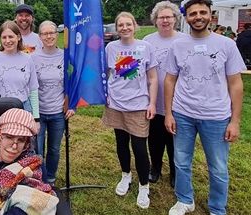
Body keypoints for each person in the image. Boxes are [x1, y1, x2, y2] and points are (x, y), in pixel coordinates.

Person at [164, 0, 245, 214]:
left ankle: (217, 208)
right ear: (186, 17)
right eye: (192, 13)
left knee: (218, 167)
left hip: (217, 116)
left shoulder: (226, 44)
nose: (198, 17)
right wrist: (169, 113)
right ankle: (184, 200)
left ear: (210, 14)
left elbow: (236, 84)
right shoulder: (177, 45)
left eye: (202, 12)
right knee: (181, 161)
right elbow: (170, 80)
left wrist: (235, 121)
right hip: (183, 114)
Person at [102, 12, 158, 209]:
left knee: (140, 148)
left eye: (128, 24)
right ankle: (126, 175)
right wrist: (105, 95)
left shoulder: (145, 47)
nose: (124, 28)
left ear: (135, 26)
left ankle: (144, 185)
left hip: (138, 106)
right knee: (121, 143)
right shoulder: (110, 47)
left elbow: (152, 78)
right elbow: (107, 74)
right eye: (121, 25)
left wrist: (152, 103)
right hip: (116, 104)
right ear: (116, 28)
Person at [143, 1, 187, 188]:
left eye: (169, 17)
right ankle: (156, 168)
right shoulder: (147, 41)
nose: (165, 20)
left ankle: (175, 172)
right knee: (154, 139)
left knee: (175, 142)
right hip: (153, 101)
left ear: (176, 19)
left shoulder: (185, 40)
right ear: (155, 20)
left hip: (179, 102)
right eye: (162, 17)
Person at [31, 20, 75, 184]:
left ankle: (50, 177)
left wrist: (72, 105)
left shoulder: (66, 56)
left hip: (58, 112)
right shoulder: (33, 58)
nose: (49, 36)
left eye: (52, 33)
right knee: (37, 149)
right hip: (39, 112)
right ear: (40, 36)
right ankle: (37, 177)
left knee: (54, 149)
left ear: (57, 34)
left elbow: (72, 83)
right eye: (45, 33)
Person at [0, 20, 40, 122]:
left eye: (11, 37)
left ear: (18, 37)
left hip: (23, 110)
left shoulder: (27, 59)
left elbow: (33, 91)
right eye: (4, 37)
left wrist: (36, 118)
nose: (7, 41)